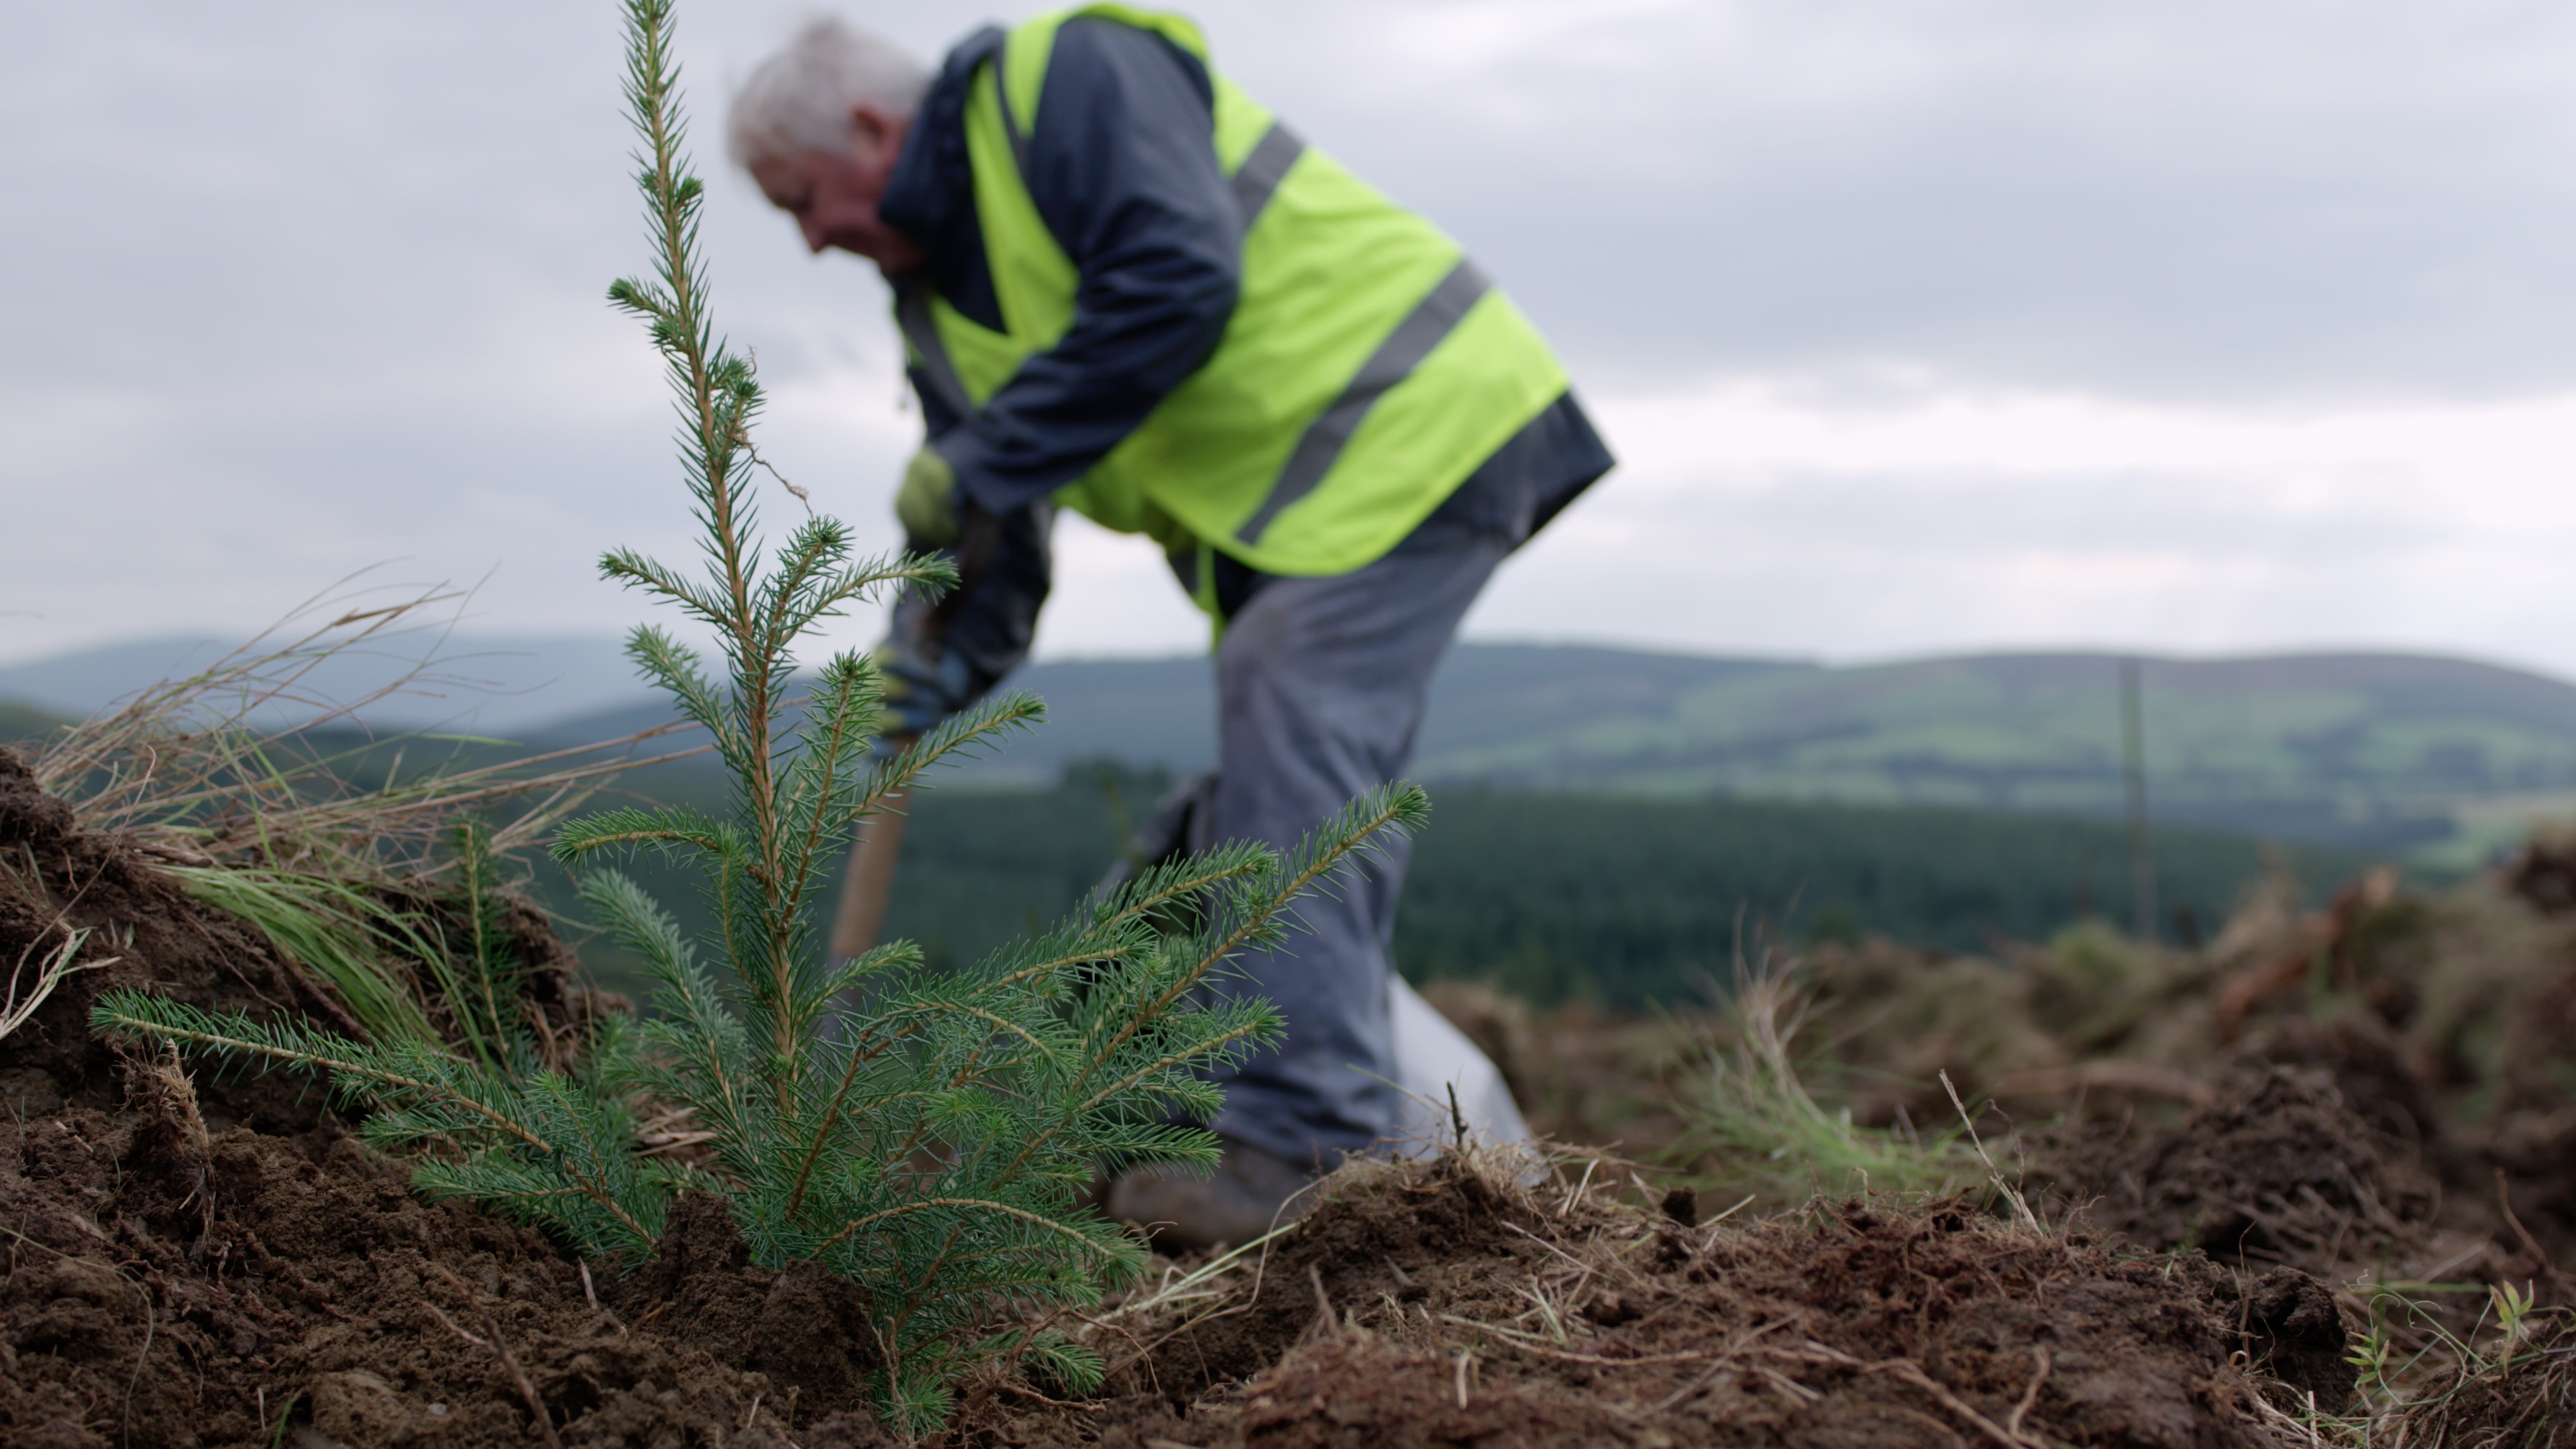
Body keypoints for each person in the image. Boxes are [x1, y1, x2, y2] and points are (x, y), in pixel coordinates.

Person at [727, 5, 1612, 1250]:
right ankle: (1097, 1122)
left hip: (1414, 412)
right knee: (1254, 805)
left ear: (873, 128)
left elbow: (1179, 277)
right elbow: (996, 529)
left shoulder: (1067, 81)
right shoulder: (936, 314)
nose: (814, 241)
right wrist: (942, 657)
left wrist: (980, 456)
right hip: (1303, 524)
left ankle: (1300, 1147)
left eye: (803, 202)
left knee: (1289, 732)